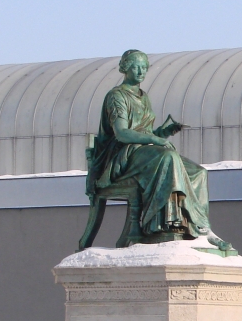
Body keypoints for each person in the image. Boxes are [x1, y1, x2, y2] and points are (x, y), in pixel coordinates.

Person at [86, 49, 231, 251]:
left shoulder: (143, 97)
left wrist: (163, 132)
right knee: (169, 158)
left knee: (197, 172)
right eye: (135, 66)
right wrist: (155, 139)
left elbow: (143, 131)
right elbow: (122, 133)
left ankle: (200, 228)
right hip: (122, 156)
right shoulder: (116, 96)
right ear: (125, 68)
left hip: (145, 152)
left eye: (144, 67)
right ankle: (163, 225)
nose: (140, 71)